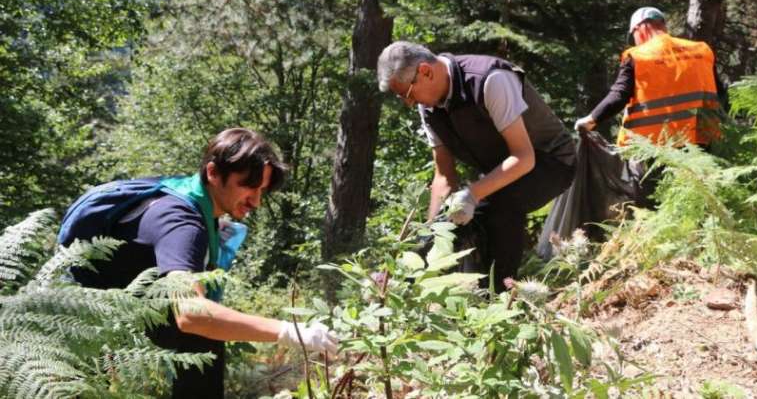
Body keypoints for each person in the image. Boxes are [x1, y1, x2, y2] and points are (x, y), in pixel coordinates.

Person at [65, 128, 337, 398]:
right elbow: (191, 314)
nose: (256, 201)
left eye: (262, 190)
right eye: (248, 186)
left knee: (206, 334)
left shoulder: (197, 207)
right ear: (213, 173)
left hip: (114, 309)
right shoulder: (183, 223)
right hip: (85, 322)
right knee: (203, 331)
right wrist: (288, 331)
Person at [376, 41, 576, 291]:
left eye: (406, 94)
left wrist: (473, 194)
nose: (408, 102)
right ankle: (410, 288)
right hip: (504, 171)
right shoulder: (428, 108)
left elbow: (524, 157)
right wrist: (430, 232)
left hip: (551, 160)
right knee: (450, 225)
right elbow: (444, 177)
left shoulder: (490, 80)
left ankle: (501, 300)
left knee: (498, 204)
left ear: (426, 71)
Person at [574, 6, 724, 147]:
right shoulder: (702, 51)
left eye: (633, 36)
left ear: (641, 28)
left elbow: (619, 95)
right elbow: (721, 93)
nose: (635, 42)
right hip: (701, 143)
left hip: (652, 146)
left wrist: (591, 119)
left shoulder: (637, 56)